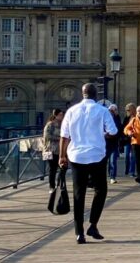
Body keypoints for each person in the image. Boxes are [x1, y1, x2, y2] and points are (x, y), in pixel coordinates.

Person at [58, 83, 117, 245]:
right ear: (95, 95)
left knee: (79, 194)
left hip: (76, 156)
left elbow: (64, 136)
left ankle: (79, 233)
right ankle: (93, 224)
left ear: (82, 94)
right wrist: (103, 134)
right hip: (96, 155)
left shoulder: (71, 111)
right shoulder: (102, 110)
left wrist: (61, 156)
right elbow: (113, 132)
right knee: (101, 190)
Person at [42, 108, 64, 192]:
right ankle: (52, 186)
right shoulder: (50, 125)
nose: (62, 116)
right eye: (60, 115)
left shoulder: (62, 124)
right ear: (56, 115)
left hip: (60, 150)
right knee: (52, 169)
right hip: (50, 150)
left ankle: (60, 185)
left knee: (62, 168)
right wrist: (59, 138)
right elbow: (47, 136)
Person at [106, 104, 123, 184]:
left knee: (113, 160)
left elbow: (120, 129)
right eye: (110, 110)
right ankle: (109, 174)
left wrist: (116, 116)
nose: (111, 112)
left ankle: (112, 177)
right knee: (106, 161)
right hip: (105, 142)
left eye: (113, 110)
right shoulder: (105, 118)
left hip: (114, 142)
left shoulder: (117, 118)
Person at [121, 103, 137, 177]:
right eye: (127, 110)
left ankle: (132, 172)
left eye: (128, 110)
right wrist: (125, 136)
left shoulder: (137, 118)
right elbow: (123, 128)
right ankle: (127, 169)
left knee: (133, 156)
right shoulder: (126, 118)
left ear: (133, 109)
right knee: (127, 156)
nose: (127, 111)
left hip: (135, 140)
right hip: (127, 140)